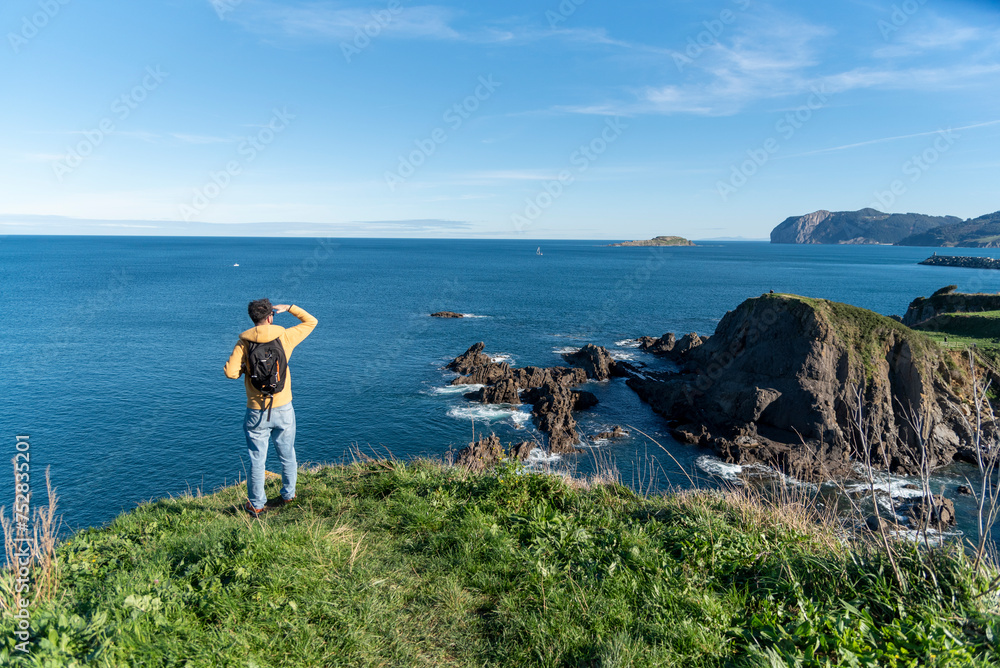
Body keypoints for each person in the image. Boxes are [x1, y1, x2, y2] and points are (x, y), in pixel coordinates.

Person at [225, 299, 318, 515]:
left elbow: (230, 373)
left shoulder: (244, 344)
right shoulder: (284, 337)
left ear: (253, 318)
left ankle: (257, 504)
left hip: (256, 411)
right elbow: (311, 321)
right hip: (283, 406)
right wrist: (290, 308)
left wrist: (244, 370)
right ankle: (289, 495)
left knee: (257, 459)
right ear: (270, 317)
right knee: (287, 454)